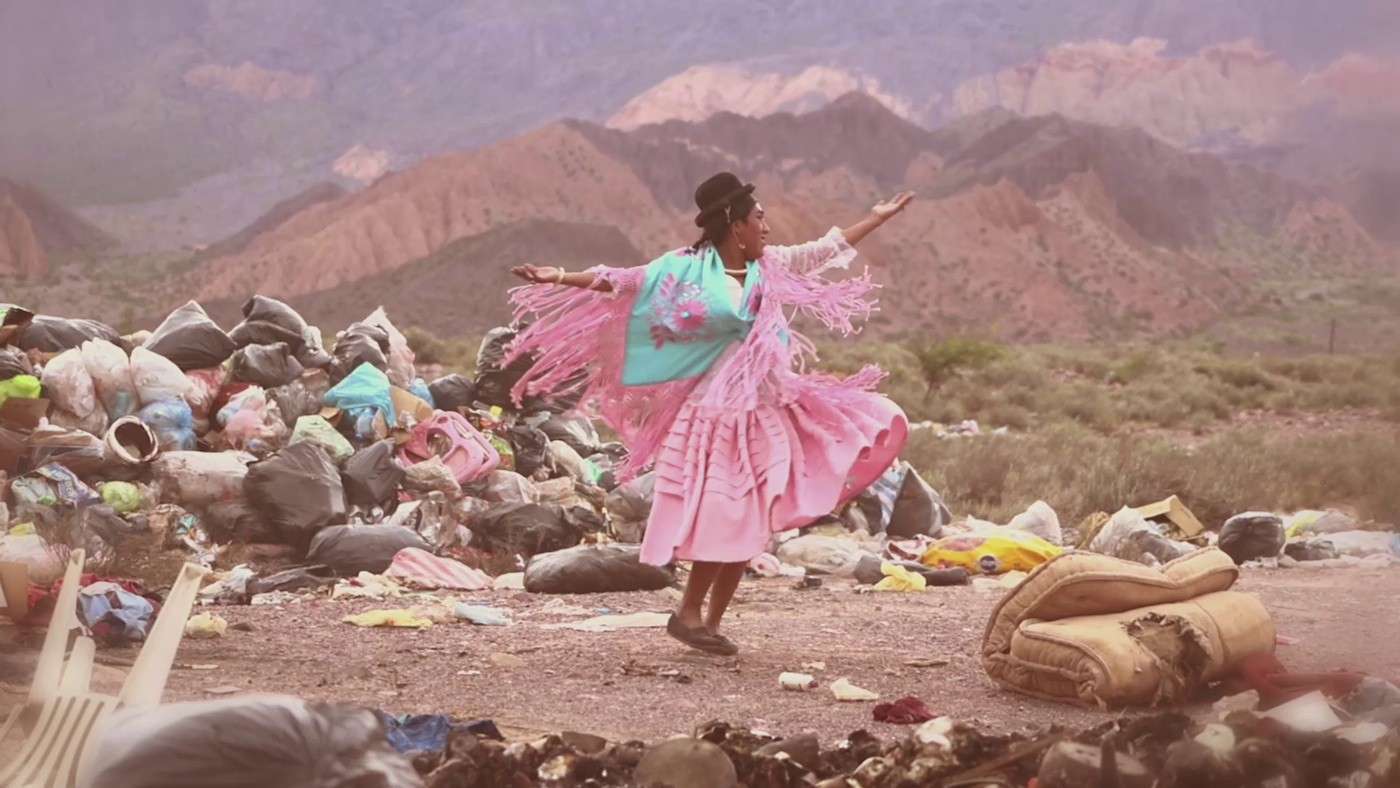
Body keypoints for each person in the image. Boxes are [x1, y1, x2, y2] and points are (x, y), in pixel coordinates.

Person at [507, 172, 913, 655]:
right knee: (726, 515)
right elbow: (623, 280)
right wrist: (559, 276)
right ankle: (686, 613)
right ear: (733, 224)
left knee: (751, 518)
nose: (766, 228)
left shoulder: (771, 268)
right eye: (758, 219)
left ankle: (710, 623)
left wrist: (875, 219)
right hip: (715, 415)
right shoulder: (684, 269)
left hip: (767, 408)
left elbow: (823, 249)